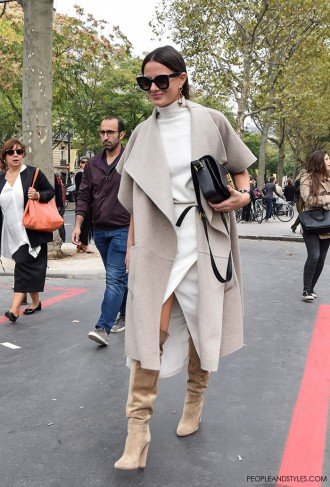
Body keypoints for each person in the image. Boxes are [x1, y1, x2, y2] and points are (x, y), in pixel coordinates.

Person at [114, 45, 256, 470]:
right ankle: (136, 433)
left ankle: (195, 399)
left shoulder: (210, 120)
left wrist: (242, 196)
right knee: (148, 332)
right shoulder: (140, 133)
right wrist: (133, 253)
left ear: (180, 78)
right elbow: (136, 199)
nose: (153, 88)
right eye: (146, 82)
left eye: (161, 80)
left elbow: (241, 169)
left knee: (200, 326)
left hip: (204, 237)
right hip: (158, 242)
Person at [72, 117, 129, 341]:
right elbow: (84, 196)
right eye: (102, 132)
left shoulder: (130, 160)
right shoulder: (93, 164)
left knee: (114, 279)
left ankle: (102, 327)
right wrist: (78, 226)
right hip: (100, 231)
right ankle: (125, 314)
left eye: (110, 132)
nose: (105, 137)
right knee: (117, 277)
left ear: (121, 135)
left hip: (123, 229)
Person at [0, 139, 55, 322]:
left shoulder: (33, 173)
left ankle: (14, 310)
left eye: (19, 151)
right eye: (10, 152)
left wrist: (38, 195)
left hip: (30, 230)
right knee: (28, 267)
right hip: (11, 232)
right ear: (5, 157)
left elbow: (50, 191)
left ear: (23, 154)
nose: (15, 155)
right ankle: (36, 302)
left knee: (23, 267)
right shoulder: (1, 179)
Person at [300, 150, 330, 302]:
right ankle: (306, 290)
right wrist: (327, 199)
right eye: (326, 158)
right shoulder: (307, 177)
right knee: (314, 256)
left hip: (327, 223)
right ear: (319, 161)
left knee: (322, 258)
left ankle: (311, 288)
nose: (329, 161)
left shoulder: (329, 178)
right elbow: (308, 199)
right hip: (311, 222)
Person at [74, 157, 93, 253]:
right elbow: (81, 190)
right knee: (84, 224)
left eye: (87, 162)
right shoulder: (80, 174)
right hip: (83, 202)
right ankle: (83, 244)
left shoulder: (90, 173)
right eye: (83, 162)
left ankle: (83, 244)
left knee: (88, 224)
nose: (85, 164)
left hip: (89, 202)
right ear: (80, 164)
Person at [291, 169, 306, 233]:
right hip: (299, 199)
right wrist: (301, 187)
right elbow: (295, 191)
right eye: (304, 174)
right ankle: (299, 227)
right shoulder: (297, 181)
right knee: (301, 214)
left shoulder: (306, 181)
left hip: (304, 198)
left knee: (303, 214)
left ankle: (295, 226)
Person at [54, 172, 66, 243]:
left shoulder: (57, 182)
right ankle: (63, 240)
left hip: (59, 206)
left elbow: (59, 194)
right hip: (62, 206)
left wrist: (58, 206)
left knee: (60, 225)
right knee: (61, 225)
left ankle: (62, 240)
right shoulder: (61, 183)